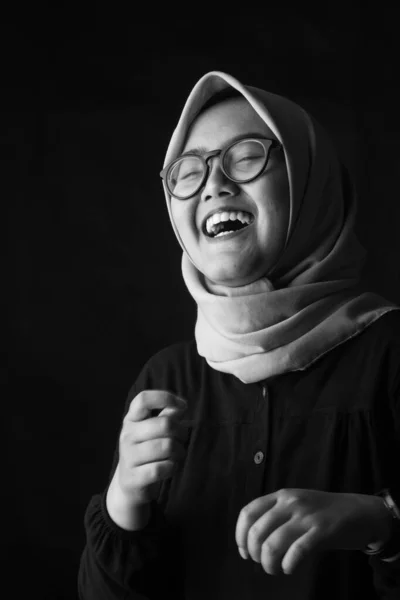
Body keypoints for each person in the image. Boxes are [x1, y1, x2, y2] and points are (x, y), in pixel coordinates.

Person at [78, 71, 400, 599]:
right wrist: (123, 505)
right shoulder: (168, 380)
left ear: (307, 178)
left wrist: (381, 522)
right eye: (189, 169)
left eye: (246, 156)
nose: (214, 184)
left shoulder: (389, 354)